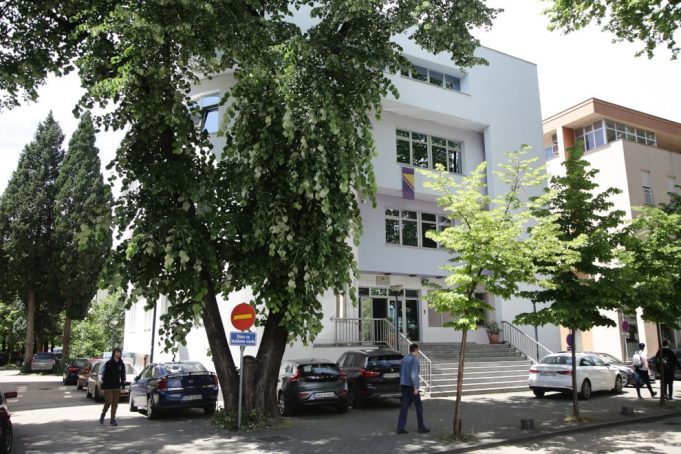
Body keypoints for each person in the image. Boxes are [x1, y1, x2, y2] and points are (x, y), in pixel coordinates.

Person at [397, 344, 429, 434]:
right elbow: (414, 374)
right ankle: (421, 427)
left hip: (404, 385)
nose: (419, 351)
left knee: (404, 406)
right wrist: (416, 387)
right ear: (416, 349)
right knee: (418, 406)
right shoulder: (414, 360)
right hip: (411, 386)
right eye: (418, 350)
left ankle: (400, 428)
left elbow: (400, 372)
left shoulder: (404, 359)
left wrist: (402, 382)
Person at [99, 348, 127, 426]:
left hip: (117, 386)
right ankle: (103, 413)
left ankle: (112, 420)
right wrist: (102, 387)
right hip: (108, 387)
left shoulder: (121, 364)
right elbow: (104, 375)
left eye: (119, 352)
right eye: (117, 352)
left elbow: (123, 376)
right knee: (109, 401)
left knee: (115, 404)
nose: (118, 354)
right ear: (114, 353)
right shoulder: (109, 363)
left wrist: (123, 387)